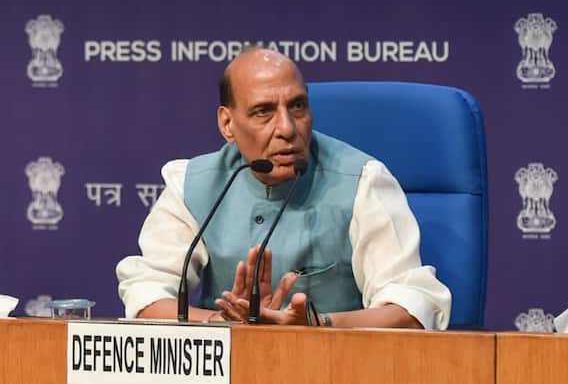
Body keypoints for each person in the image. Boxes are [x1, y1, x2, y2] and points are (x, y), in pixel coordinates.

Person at [116, 47, 451, 329]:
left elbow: (413, 306)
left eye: (297, 106)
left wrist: (318, 325)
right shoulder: (193, 184)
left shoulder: (363, 180)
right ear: (227, 124)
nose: (287, 128)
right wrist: (222, 324)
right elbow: (146, 293)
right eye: (263, 112)